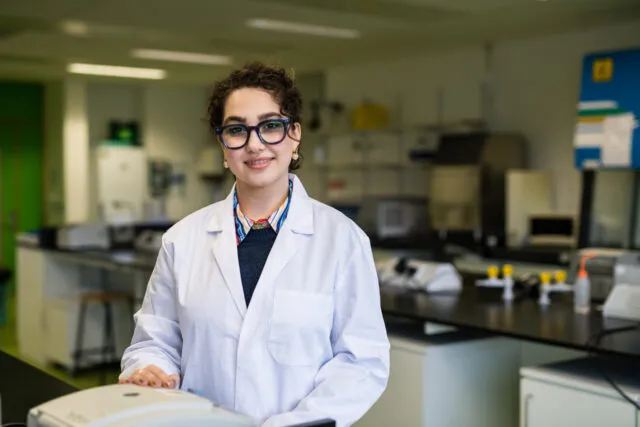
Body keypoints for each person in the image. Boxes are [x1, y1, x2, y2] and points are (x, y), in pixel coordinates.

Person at [118, 62, 390, 427]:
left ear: (294, 135)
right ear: (223, 145)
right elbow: (155, 340)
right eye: (236, 130)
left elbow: (361, 362)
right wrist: (151, 369)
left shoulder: (343, 241)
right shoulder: (182, 241)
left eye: (271, 126)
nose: (255, 144)